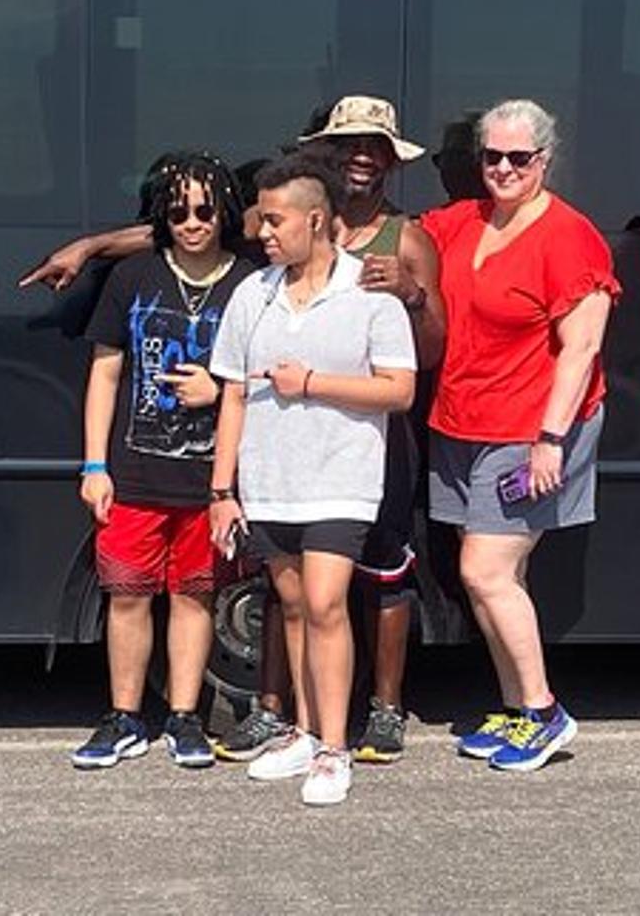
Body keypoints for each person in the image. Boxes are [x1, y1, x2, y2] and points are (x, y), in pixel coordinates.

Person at [18, 96, 445, 764]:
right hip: (275, 460)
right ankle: (283, 716)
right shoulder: (273, 244)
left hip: (359, 446)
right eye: (347, 144)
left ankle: (381, 709)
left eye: (377, 146)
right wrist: (96, 243)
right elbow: (188, 229)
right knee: (289, 592)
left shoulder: (405, 239)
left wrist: (412, 295)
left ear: (392, 160)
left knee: (381, 573)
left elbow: (432, 344)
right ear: (322, 162)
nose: (362, 156)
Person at [206, 154, 417, 806]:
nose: (262, 231)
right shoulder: (253, 292)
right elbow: (234, 394)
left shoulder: (369, 293)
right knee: (293, 608)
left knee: (326, 605)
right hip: (270, 482)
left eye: (274, 219)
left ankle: (333, 748)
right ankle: (300, 732)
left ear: (316, 219)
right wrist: (222, 491)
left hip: (340, 480)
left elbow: (399, 390)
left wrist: (313, 384)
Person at [419, 98, 618, 773]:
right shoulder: (460, 222)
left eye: (518, 158)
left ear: (544, 160)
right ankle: (512, 708)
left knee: (487, 568)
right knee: (493, 579)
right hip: (461, 421)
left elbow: (582, 344)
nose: (503, 168)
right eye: (492, 156)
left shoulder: (569, 235)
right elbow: (375, 243)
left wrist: (550, 439)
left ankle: (544, 711)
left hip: (530, 426)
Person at [69, 152, 255, 770]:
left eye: (205, 209)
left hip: (212, 479)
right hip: (135, 472)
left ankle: (183, 717)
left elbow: (267, 375)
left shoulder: (250, 283)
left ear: (225, 209)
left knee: (195, 597)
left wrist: (219, 387)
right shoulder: (135, 277)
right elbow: (105, 372)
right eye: (177, 211)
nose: (192, 222)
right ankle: (124, 716)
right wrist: (95, 466)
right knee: (127, 596)